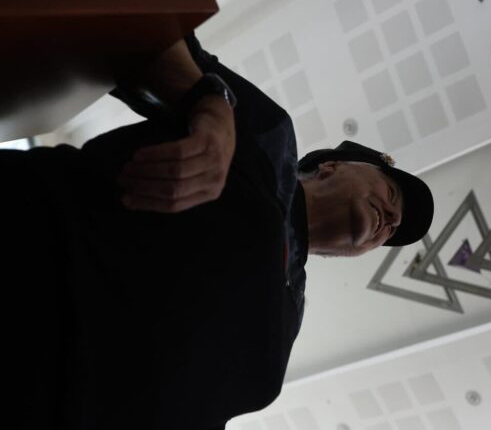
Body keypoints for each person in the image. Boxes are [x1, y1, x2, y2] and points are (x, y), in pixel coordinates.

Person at [4, 33, 433, 429]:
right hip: (31, 250)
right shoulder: (270, 137)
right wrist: (208, 103)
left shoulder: (286, 324)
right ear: (331, 166)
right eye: (391, 193)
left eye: (391, 232)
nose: (391, 220)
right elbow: (150, 33)